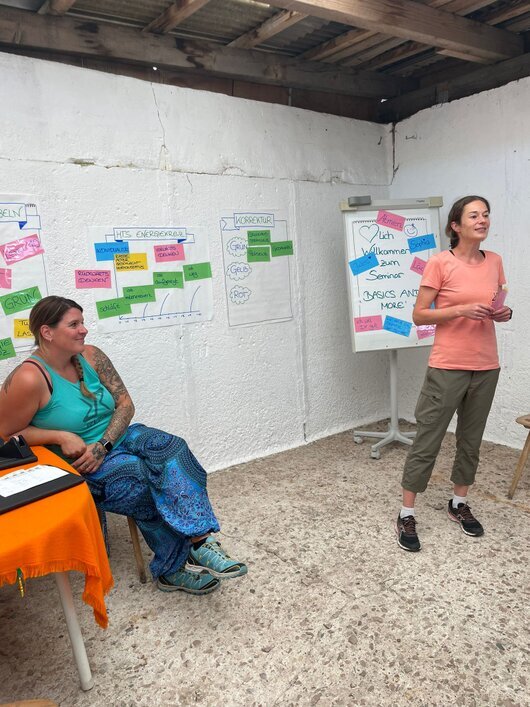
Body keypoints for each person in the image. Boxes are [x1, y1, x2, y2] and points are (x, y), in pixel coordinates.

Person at [0, 296, 247, 593]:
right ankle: (171, 569)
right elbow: (6, 433)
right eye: (74, 324)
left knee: (173, 449)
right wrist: (59, 436)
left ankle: (200, 541)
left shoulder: (92, 356)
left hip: (115, 438)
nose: (84, 330)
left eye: (82, 322)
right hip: (81, 462)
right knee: (141, 479)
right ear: (47, 332)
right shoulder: (29, 378)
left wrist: (104, 444)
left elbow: (125, 404)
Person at [396, 196, 512, 552]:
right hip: (447, 366)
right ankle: (406, 512)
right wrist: (460, 309)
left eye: (486, 214)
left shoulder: (495, 261)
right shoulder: (439, 263)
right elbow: (419, 314)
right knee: (428, 438)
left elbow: (495, 303)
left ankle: (459, 503)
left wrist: (502, 313)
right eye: (473, 215)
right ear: (455, 226)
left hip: (486, 365)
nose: (482, 220)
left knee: (471, 441)